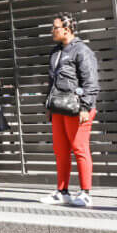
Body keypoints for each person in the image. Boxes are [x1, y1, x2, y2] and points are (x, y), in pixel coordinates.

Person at [44, 12, 99, 207]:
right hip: (58, 106)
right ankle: (62, 191)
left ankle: (85, 192)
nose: (52, 31)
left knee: (80, 148)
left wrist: (86, 106)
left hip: (77, 107)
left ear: (67, 29)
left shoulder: (82, 51)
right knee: (61, 150)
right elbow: (52, 81)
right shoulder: (55, 51)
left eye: (55, 27)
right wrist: (49, 105)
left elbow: (90, 81)